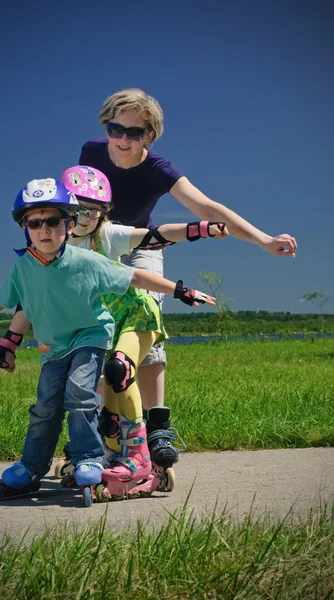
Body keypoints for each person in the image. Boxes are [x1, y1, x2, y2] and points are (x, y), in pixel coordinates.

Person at [0, 177, 213, 504]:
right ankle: (32, 467)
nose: (44, 229)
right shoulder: (23, 268)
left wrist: (180, 290)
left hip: (91, 336)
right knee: (44, 408)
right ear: (25, 227)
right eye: (35, 222)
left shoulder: (86, 260)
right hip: (54, 347)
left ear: (67, 226)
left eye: (53, 221)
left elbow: (135, 276)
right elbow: (5, 301)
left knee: (81, 394)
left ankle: (88, 457)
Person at [76, 87, 297, 457]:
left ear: (150, 135)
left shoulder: (159, 170)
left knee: (146, 324)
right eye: (117, 129)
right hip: (97, 247)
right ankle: (98, 427)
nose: (123, 140)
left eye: (136, 133)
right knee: (97, 332)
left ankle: (157, 426)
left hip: (142, 245)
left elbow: (208, 207)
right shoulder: (91, 152)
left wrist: (263, 240)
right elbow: (77, 198)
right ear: (106, 126)